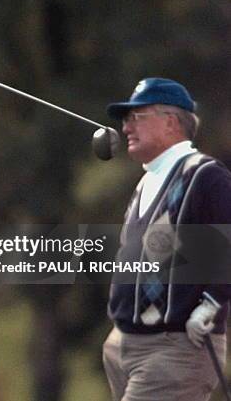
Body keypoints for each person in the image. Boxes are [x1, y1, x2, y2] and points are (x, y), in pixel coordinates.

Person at [102, 78, 231, 401]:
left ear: (171, 122)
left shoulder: (206, 176)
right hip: (124, 344)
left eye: (136, 117)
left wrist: (211, 304)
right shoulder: (147, 180)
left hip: (175, 349)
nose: (126, 126)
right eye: (125, 119)